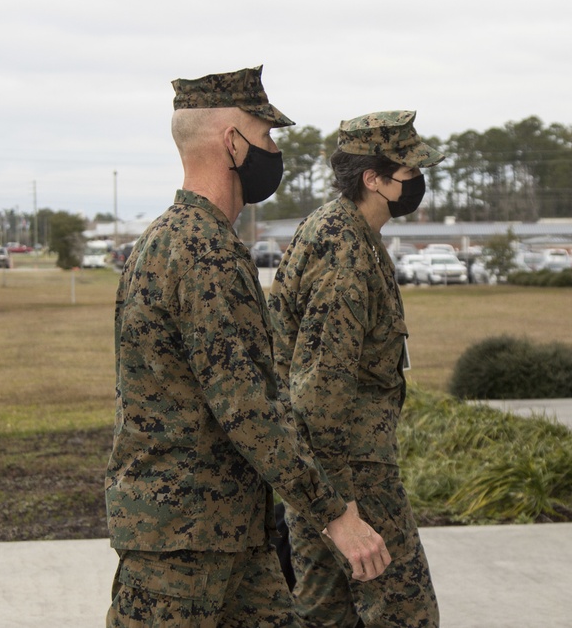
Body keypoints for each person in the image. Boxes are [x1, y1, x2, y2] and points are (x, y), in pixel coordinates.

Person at [105, 67, 391, 628]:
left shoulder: (167, 238)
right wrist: (334, 513)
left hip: (226, 532)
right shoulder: (203, 251)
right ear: (232, 143)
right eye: (267, 138)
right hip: (184, 544)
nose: (276, 151)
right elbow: (248, 406)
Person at [268, 110, 443, 627]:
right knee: (407, 613)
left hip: (327, 474)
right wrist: (339, 508)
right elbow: (321, 389)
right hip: (351, 476)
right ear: (374, 179)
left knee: (328, 614)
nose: (417, 181)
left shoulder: (351, 233)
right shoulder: (342, 251)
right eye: (409, 171)